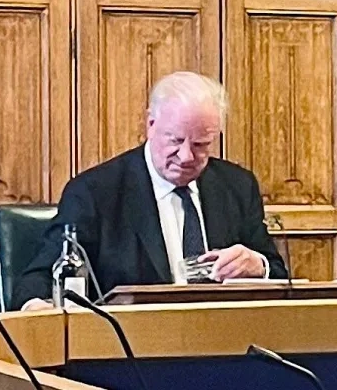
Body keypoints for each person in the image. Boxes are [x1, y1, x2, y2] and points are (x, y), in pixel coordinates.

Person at [14, 72, 286, 310]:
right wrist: (38, 305)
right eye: (176, 140)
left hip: (224, 346)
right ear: (151, 124)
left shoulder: (236, 186)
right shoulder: (95, 193)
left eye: (201, 144)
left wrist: (258, 266)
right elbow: (39, 279)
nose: (186, 156)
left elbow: (278, 273)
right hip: (132, 353)